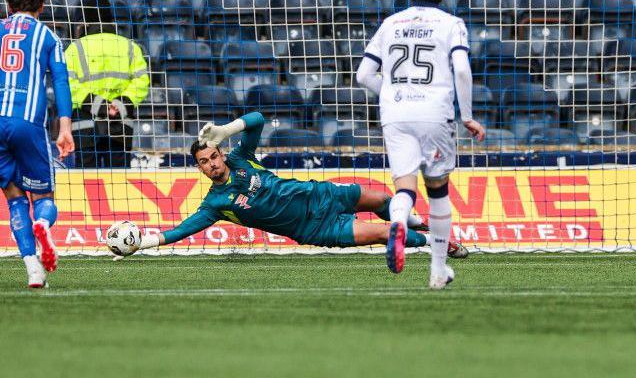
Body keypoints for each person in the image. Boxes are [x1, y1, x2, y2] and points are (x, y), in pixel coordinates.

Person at [116, 111, 469, 259]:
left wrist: (226, 130)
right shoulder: (216, 204)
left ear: (221, 154)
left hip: (320, 193)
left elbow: (257, 121)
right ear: (201, 169)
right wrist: (145, 241)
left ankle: (419, 223)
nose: (211, 164)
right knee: (381, 233)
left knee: (386, 199)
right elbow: (182, 230)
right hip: (316, 227)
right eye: (203, 163)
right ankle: (435, 243)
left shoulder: (241, 157)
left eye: (213, 156)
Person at [355, 0, 485, 289]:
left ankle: (398, 222)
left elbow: (363, 75)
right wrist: (466, 115)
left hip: (396, 114)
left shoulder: (390, 23)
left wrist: (394, 93)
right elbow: (462, 70)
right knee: (438, 190)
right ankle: (438, 271)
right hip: (434, 112)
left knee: (404, 188)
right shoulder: (451, 24)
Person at [0, 0, 75, 288]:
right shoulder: (48, 36)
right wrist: (65, 128)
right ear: (42, 8)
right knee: (43, 195)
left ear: (8, 6)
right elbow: (60, 82)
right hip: (28, 121)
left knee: (13, 196)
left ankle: (33, 269)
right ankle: (42, 223)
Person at [64, 0, 150, 168]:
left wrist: (99, 106)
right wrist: (119, 105)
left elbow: (69, 85)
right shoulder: (131, 47)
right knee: (119, 184)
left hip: (86, 125)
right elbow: (141, 82)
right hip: (120, 124)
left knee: (87, 184)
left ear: (84, 21)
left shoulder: (75, 48)